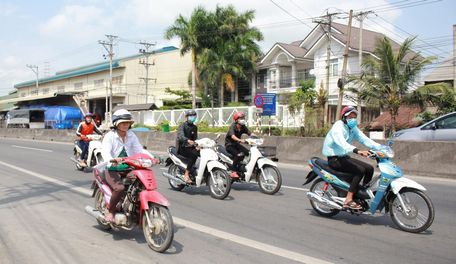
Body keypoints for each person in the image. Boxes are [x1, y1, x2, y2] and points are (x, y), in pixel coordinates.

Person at [101, 109, 158, 222]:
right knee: (119, 188)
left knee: (142, 183)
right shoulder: (110, 136)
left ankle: (135, 208)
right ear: (116, 123)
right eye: (123, 122)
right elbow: (105, 152)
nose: (126, 125)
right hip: (112, 168)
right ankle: (111, 211)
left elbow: (139, 149)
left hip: (128, 167)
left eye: (127, 122)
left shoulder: (131, 135)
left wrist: (152, 157)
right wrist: (111, 160)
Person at [322, 106, 380, 210]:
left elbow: (364, 139)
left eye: (354, 117)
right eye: (350, 117)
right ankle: (348, 199)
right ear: (344, 117)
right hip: (334, 159)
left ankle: (361, 194)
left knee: (370, 168)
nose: (352, 120)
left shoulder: (352, 128)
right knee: (360, 171)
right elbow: (342, 143)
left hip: (343, 157)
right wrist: (357, 151)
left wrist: (380, 147)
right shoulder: (338, 127)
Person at [225, 111, 252, 179]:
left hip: (236, 144)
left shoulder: (243, 126)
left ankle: (241, 166)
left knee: (247, 153)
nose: (243, 119)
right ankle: (233, 171)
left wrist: (257, 138)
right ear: (237, 120)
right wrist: (240, 140)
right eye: (241, 118)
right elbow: (232, 136)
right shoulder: (233, 126)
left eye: (243, 118)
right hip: (229, 145)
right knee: (238, 155)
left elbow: (250, 133)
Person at [176, 109, 199, 184]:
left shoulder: (195, 127)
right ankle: (186, 174)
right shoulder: (182, 125)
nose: (192, 117)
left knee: (201, 152)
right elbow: (181, 136)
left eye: (194, 116)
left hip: (190, 147)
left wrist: (198, 144)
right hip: (182, 147)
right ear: (186, 117)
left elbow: (196, 138)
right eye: (190, 116)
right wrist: (188, 140)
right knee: (194, 154)